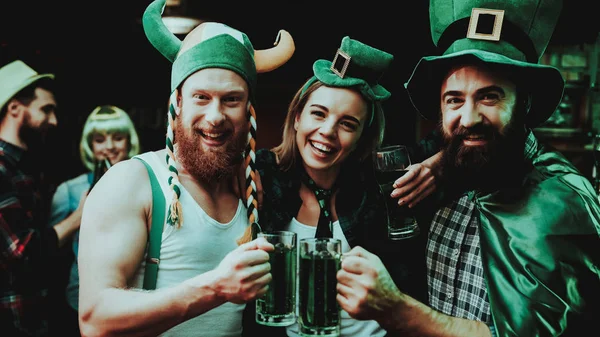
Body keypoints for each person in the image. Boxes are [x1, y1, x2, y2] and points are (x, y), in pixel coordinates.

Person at [337, 0, 600, 336]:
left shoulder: (563, 201)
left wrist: (396, 309)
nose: (469, 118)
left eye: (490, 97)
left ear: (525, 103)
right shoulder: (453, 174)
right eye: (455, 100)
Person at [76, 0, 296, 336]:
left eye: (231, 99)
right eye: (201, 97)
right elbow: (94, 319)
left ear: (249, 108)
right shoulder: (133, 182)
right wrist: (216, 288)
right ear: (177, 102)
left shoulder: (251, 185)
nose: (216, 116)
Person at [241, 36, 441, 337]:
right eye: (318, 114)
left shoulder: (381, 182)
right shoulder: (262, 173)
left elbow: (458, 139)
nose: (327, 132)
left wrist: (438, 166)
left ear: (363, 136)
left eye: (347, 124)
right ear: (297, 117)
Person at [0, 59, 82, 337]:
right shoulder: (1, 170)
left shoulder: (22, 167)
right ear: (14, 108)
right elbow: (24, 251)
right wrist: (79, 217)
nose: (54, 121)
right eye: (46, 110)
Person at [47, 105, 141, 336]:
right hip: (81, 298)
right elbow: (50, 249)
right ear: (89, 146)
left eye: (118, 138)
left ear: (130, 142)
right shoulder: (69, 190)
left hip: (136, 296)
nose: (109, 147)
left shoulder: (147, 182)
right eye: (100, 140)